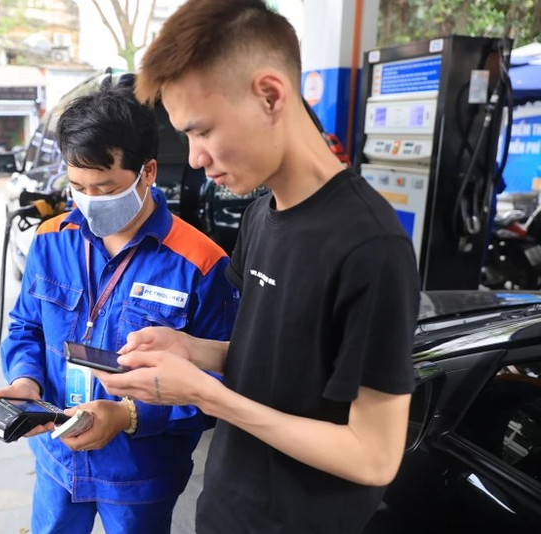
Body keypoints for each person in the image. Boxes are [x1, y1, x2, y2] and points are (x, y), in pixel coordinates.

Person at [95, 1, 421, 533]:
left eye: (202, 131)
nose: (195, 158)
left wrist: (204, 393)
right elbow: (277, 361)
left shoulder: (371, 247)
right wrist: (191, 349)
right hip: (226, 509)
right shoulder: (259, 217)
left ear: (270, 95)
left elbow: (373, 456)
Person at [0, 83, 238, 534]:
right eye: (77, 186)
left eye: (105, 188)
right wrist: (26, 381)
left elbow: (218, 386)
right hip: (57, 457)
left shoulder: (200, 264)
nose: (89, 200)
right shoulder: (52, 239)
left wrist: (128, 416)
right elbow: (26, 326)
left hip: (140, 473)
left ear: (148, 172)